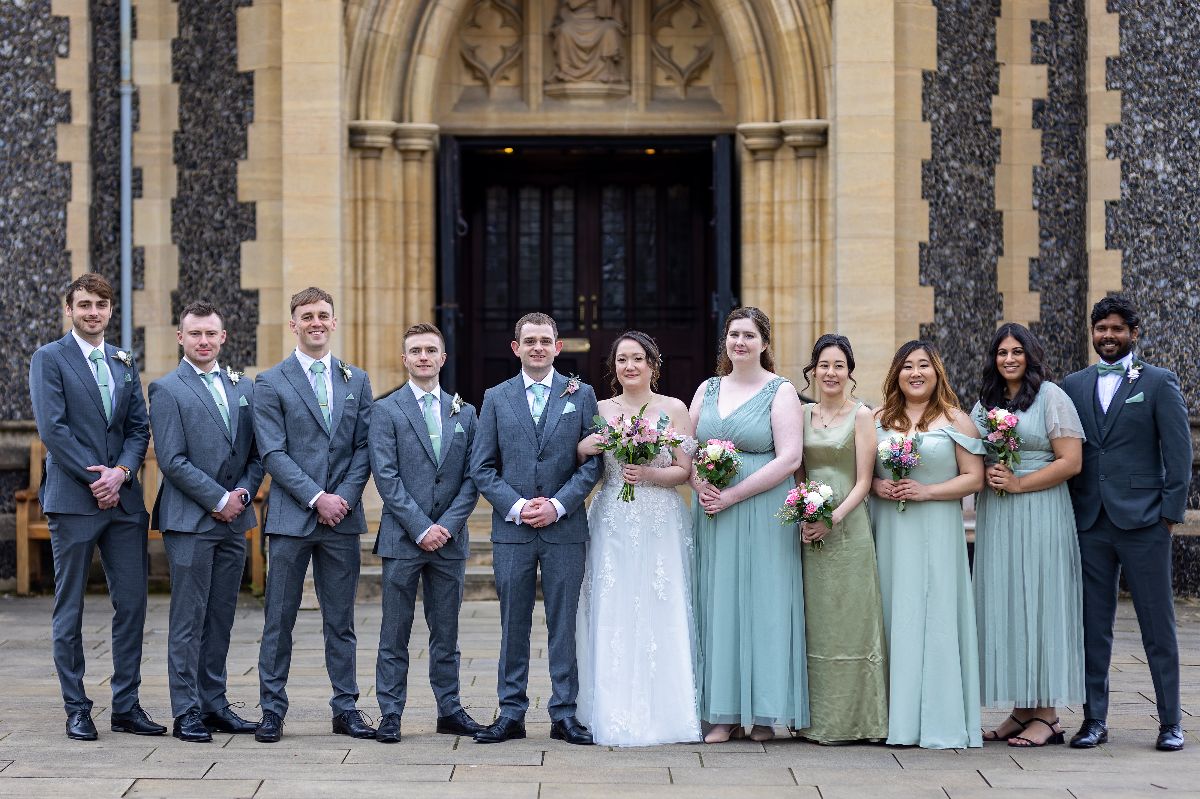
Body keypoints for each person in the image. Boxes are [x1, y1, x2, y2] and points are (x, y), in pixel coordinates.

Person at [29, 272, 166, 741]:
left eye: (101, 305)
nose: (93, 312)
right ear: (69, 309)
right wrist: (96, 478)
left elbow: (137, 428)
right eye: (84, 304)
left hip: (124, 503)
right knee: (70, 607)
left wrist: (122, 473)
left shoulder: (123, 361)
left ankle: (125, 705)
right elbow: (54, 430)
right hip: (74, 501)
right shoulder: (49, 359)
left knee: (132, 605)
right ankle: (76, 707)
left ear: (111, 311)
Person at [1060, 296, 1191, 752]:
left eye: (1117, 329)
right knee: (1092, 626)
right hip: (1090, 522)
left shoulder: (1158, 382)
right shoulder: (1072, 385)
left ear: (1134, 333)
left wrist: (1169, 516)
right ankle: (1094, 720)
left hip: (1145, 524)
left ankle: (1171, 722)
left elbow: (1179, 453)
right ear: (1092, 333)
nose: (1108, 336)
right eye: (1101, 329)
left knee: (1158, 626)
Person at [469, 312, 603, 745]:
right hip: (514, 530)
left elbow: (593, 463)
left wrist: (560, 505)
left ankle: (564, 713)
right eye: (530, 341)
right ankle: (511, 712)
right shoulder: (495, 397)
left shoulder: (581, 395)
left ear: (558, 347)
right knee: (514, 623)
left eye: (546, 340)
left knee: (563, 623)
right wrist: (521, 506)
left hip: (565, 529)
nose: (538, 347)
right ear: (516, 347)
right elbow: (483, 467)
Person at [252, 287, 375, 743]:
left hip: (341, 518)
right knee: (278, 618)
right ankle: (271, 710)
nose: (316, 322)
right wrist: (315, 497)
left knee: (340, 621)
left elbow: (365, 447)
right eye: (308, 316)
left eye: (324, 315)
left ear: (334, 322)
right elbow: (272, 451)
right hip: (291, 517)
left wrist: (340, 497)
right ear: (294, 324)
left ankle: (346, 708)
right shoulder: (270, 382)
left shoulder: (356, 379)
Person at [575, 331, 702, 746]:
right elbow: (579, 458)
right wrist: (583, 447)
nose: (630, 366)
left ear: (653, 364)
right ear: (614, 368)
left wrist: (647, 473)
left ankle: (669, 712)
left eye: (638, 359)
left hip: (660, 518)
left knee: (660, 605)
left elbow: (684, 470)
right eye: (622, 360)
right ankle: (609, 710)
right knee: (613, 606)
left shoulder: (674, 409)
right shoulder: (599, 408)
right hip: (612, 515)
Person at [148, 300, 265, 742]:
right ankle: (186, 711)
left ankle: (214, 704)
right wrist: (217, 498)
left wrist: (241, 495)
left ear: (223, 338)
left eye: (210, 334)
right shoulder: (166, 389)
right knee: (188, 619)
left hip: (234, 520)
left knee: (221, 616)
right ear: (181, 337)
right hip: (191, 521)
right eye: (194, 333)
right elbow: (172, 460)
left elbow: (256, 455)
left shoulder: (244, 387)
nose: (203, 341)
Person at [689, 307, 807, 744]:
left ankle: (763, 712)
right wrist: (700, 482)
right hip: (713, 510)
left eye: (749, 336)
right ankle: (723, 713)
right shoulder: (708, 387)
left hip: (762, 510)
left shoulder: (781, 391)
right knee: (718, 603)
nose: (740, 342)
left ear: (764, 343)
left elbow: (790, 457)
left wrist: (734, 494)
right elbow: (689, 447)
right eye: (734, 335)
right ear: (725, 341)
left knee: (764, 603)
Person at [369, 323, 484, 744]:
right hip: (403, 539)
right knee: (394, 631)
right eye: (415, 350)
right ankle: (391, 713)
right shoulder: (385, 411)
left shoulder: (465, 412)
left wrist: (447, 526)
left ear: (442, 358)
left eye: (430, 350)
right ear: (404, 359)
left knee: (447, 632)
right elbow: (386, 476)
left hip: (450, 540)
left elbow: (474, 477)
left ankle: (449, 709)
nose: (422, 356)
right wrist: (420, 527)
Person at [970, 323, 1084, 748]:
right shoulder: (986, 404)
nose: (1009, 359)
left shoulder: (1052, 397)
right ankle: (1021, 710)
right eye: (1002, 353)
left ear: (1030, 356)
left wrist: (1019, 482)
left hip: (1040, 511)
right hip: (999, 515)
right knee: (1009, 602)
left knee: (1039, 600)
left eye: (1017, 352)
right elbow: (970, 451)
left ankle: (1048, 716)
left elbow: (1071, 461)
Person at [870, 340, 984, 749]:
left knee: (935, 613)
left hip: (936, 527)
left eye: (924, 366)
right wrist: (878, 484)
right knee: (890, 611)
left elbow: (974, 477)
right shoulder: (878, 419)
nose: (915, 373)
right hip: (890, 531)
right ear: (895, 374)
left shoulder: (956, 419)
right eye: (907, 366)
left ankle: (939, 717)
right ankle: (887, 719)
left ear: (937, 373)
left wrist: (929, 492)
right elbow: (862, 473)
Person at [794, 334, 888, 744]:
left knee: (852, 621)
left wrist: (832, 518)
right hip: (809, 529)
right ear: (812, 370)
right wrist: (804, 511)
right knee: (816, 624)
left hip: (848, 529)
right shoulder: (801, 415)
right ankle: (817, 719)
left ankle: (862, 721)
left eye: (839, 366)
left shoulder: (862, 415)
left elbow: (865, 481)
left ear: (849, 372)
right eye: (824, 365)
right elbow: (798, 470)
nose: (830, 373)